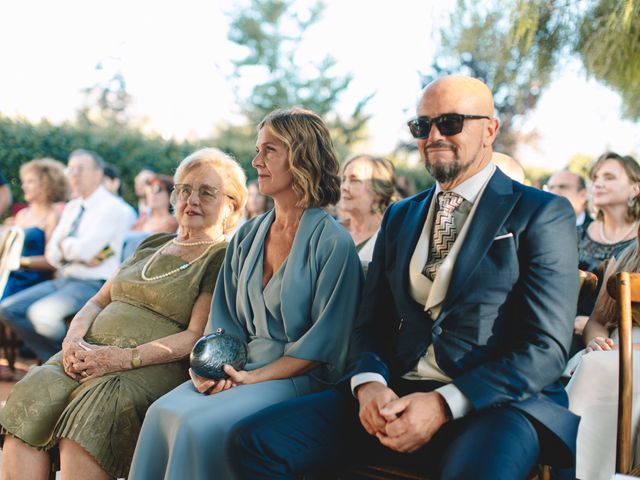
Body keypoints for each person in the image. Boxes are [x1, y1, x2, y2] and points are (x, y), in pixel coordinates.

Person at [229, 76, 580, 480]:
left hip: (496, 405)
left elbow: (546, 348)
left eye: (450, 123)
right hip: (394, 393)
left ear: (490, 130)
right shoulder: (401, 215)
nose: (433, 135)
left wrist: (445, 404)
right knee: (254, 442)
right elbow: (368, 324)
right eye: (422, 126)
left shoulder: (542, 212)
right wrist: (368, 384)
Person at [129, 108, 364, 480]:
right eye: (258, 150)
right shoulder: (248, 234)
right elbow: (223, 320)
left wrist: (255, 378)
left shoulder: (333, 243)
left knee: (196, 426)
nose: (257, 161)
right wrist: (209, 370)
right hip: (237, 366)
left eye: (269, 150)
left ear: (301, 155)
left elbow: (325, 344)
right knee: (162, 411)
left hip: (297, 377)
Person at [0, 147, 246, 479]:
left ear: (231, 204)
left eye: (206, 192)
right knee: (31, 394)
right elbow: (98, 301)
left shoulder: (220, 256)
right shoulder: (150, 244)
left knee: (92, 418)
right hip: (89, 352)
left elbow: (194, 336)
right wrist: (72, 341)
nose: (192, 199)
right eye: (185, 189)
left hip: (145, 366)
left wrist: (121, 358)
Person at [0, 149, 135, 363]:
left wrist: (67, 247)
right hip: (66, 278)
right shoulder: (72, 208)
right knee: (8, 309)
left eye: (80, 169)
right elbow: (52, 255)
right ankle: (57, 361)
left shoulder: (113, 208)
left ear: (98, 174)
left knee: (42, 315)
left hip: (94, 283)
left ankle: (67, 362)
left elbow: (85, 251)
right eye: (70, 169)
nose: (73, 174)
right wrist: (72, 250)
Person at [566, 236, 640, 479]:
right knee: (592, 363)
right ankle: (568, 465)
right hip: (615, 345)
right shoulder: (626, 256)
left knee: (605, 368)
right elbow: (597, 321)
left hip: (631, 352)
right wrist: (596, 342)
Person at [575, 153, 640, 328]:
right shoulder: (575, 234)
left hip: (616, 335)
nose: (597, 183)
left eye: (609, 177)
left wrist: (592, 325)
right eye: (595, 178)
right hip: (566, 327)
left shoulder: (638, 244)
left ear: (635, 189)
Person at [1, 158, 69, 300]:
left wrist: (18, 261)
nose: (24, 186)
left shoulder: (53, 217)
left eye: (30, 181)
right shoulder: (22, 215)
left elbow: (53, 261)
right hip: (9, 276)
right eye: (24, 181)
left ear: (47, 184)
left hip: (32, 282)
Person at [340, 154, 397, 268]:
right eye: (343, 179)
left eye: (354, 180)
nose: (344, 187)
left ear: (378, 192)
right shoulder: (331, 231)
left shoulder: (390, 240)